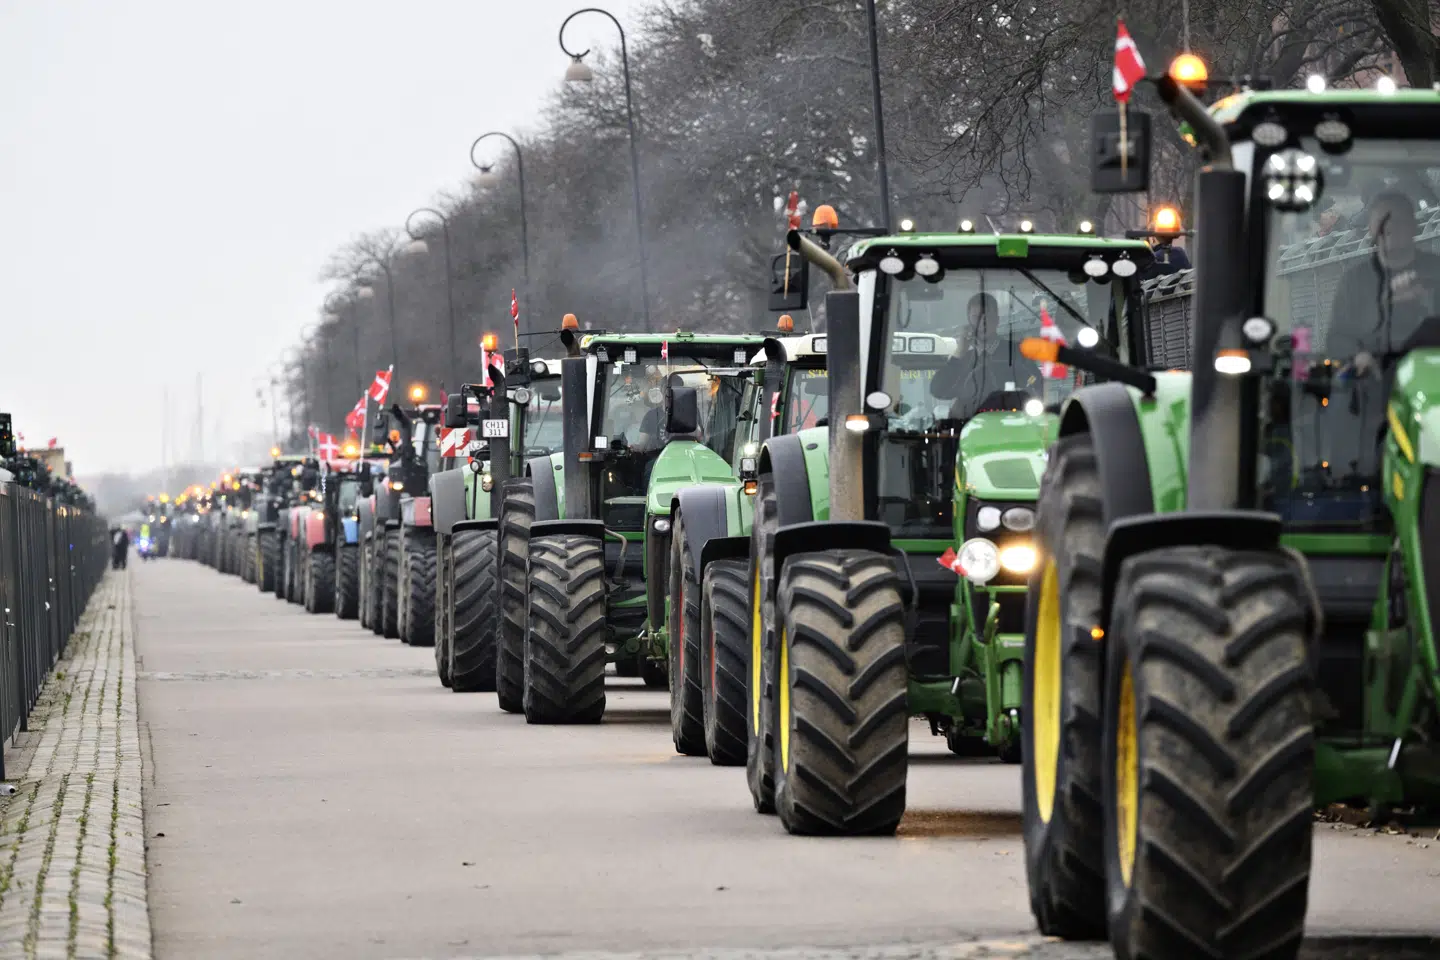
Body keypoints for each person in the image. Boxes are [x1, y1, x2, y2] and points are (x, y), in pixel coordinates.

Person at [1328, 190, 1440, 367]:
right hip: (1376, 376)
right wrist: (1358, 356)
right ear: (1371, 229)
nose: (1389, 227)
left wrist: (1423, 300)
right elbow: (1337, 339)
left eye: (1397, 220)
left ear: (1413, 225)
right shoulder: (1354, 280)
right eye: (1381, 221)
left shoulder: (1435, 269)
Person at [930, 292, 1043, 420]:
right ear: (969, 322)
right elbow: (937, 390)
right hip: (970, 428)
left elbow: (1036, 383)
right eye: (976, 317)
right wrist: (959, 352)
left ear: (997, 320)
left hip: (1011, 424)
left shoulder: (1017, 352)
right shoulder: (963, 359)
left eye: (987, 316)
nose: (982, 322)